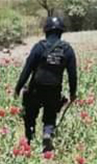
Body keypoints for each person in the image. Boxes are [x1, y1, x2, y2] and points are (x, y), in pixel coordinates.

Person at [14, 16, 77, 153]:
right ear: (61, 32)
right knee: (50, 115)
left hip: (36, 88)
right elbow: (72, 74)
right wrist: (73, 93)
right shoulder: (67, 50)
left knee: (30, 115)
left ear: (46, 31)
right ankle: (47, 134)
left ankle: (29, 139)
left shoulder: (39, 47)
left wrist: (18, 88)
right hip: (54, 89)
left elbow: (27, 69)